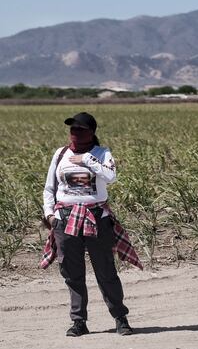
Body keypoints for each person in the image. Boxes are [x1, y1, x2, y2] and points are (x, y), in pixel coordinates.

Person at [40, 112, 143, 337]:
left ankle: (120, 318)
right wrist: (50, 215)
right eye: (72, 129)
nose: (75, 134)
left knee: (106, 270)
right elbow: (50, 188)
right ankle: (79, 322)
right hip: (65, 219)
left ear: (91, 132)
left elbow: (110, 176)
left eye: (80, 130)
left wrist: (86, 160)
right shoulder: (60, 154)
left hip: (96, 217)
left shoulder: (101, 153)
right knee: (72, 273)